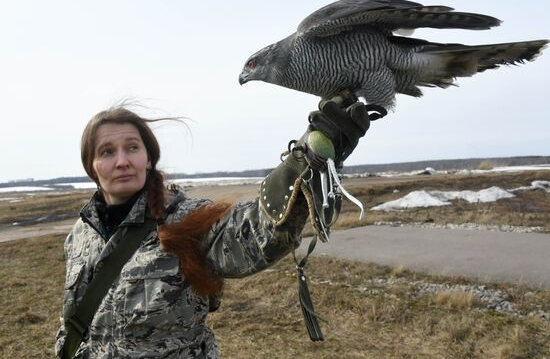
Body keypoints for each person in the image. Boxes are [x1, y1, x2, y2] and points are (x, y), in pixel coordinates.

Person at [55, 95, 374, 358]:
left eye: (132, 148)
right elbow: (73, 324)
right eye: (107, 152)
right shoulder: (81, 235)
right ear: (91, 167)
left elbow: (256, 233)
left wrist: (306, 159)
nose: (122, 160)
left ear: (148, 158)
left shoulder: (187, 219)